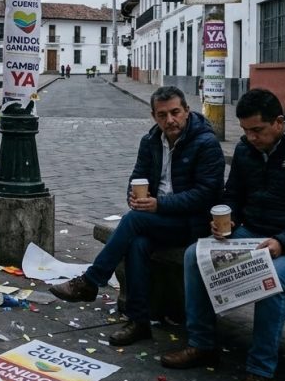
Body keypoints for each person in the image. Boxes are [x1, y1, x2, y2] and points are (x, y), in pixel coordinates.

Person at [161, 89, 285, 381]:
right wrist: (228, 218)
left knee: (271, 278)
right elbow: (233, 194)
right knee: (195, 254)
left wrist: (283, 242)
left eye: (257, 130)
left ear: (278, 122)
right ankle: (201, 344)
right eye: (245, 130)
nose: (251, 137)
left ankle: (260, 373)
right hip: (255, 232)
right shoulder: (246, 149)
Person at [49, 86, 224, 346]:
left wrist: (159, 205)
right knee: (137, 243)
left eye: (175, 112)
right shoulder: (150, 141)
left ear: (187, 111)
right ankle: (139, 321)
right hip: (159, 221)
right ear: (154, 116)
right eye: (162, 115)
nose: (170, 120)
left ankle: (91, 281)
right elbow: (137, 177)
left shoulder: (205, 143)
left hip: (192, 223)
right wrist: (133, 197)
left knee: (133, 221)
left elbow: (206, 195)